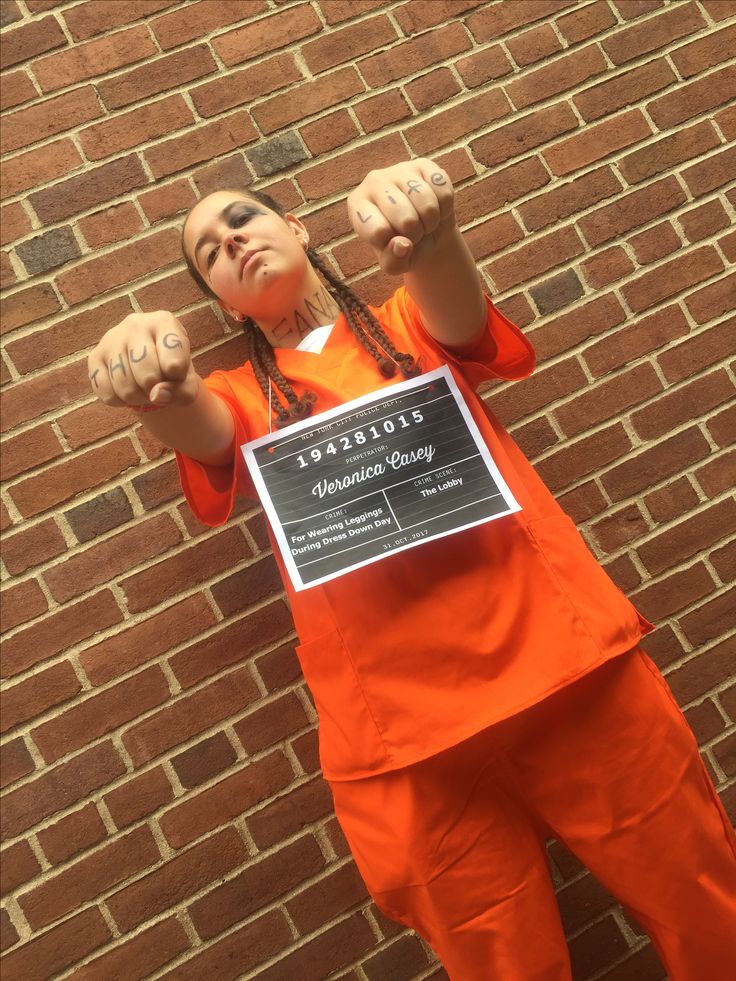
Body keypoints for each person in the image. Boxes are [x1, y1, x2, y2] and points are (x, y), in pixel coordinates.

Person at [89, 158, 736, 979]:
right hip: (412, 751)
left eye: (244, 218)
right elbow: (201, 427)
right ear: (220, 303)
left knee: (706, 910)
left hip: (569, 675)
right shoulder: (237, 393)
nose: (233, 242)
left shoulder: (407, 320)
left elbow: (458, 311)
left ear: (299, 229)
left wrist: (431, 237)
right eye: (212, 252)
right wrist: (152, 380)